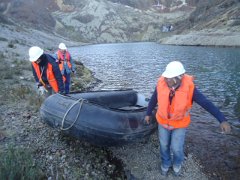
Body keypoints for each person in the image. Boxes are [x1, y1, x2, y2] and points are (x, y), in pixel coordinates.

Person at [145, 61, 231, 176]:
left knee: (176, 148)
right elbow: (154, 98)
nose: (167, 80)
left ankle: (177, 163)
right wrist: (148, 113)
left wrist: (222, 119)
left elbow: (206, 103)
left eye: (170, 78)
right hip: (163, 122)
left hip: (179, 124)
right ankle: (165, 163)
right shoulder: (161, 84)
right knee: (164, 145)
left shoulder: (190, 88)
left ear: (179, 78)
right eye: (166, 77)